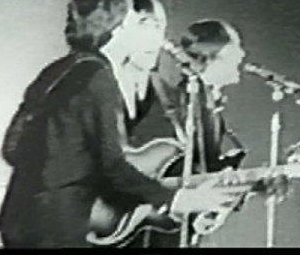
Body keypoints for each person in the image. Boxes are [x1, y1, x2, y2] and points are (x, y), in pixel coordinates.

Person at [0, 0, 250, 248]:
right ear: (117, 29)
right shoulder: (98, 76)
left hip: (20, 217)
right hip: (61, 225)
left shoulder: (57, 70)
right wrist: (176, 200)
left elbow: (11, 149)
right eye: (136, 25)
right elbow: (112, 166)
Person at [122, 18, 288, 247]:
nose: (242, 54)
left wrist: (213, 209)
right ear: (211, 53)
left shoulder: (211, 112)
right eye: (235, 46)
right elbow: (144, 172)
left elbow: (200, 180)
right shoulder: (174, 107)